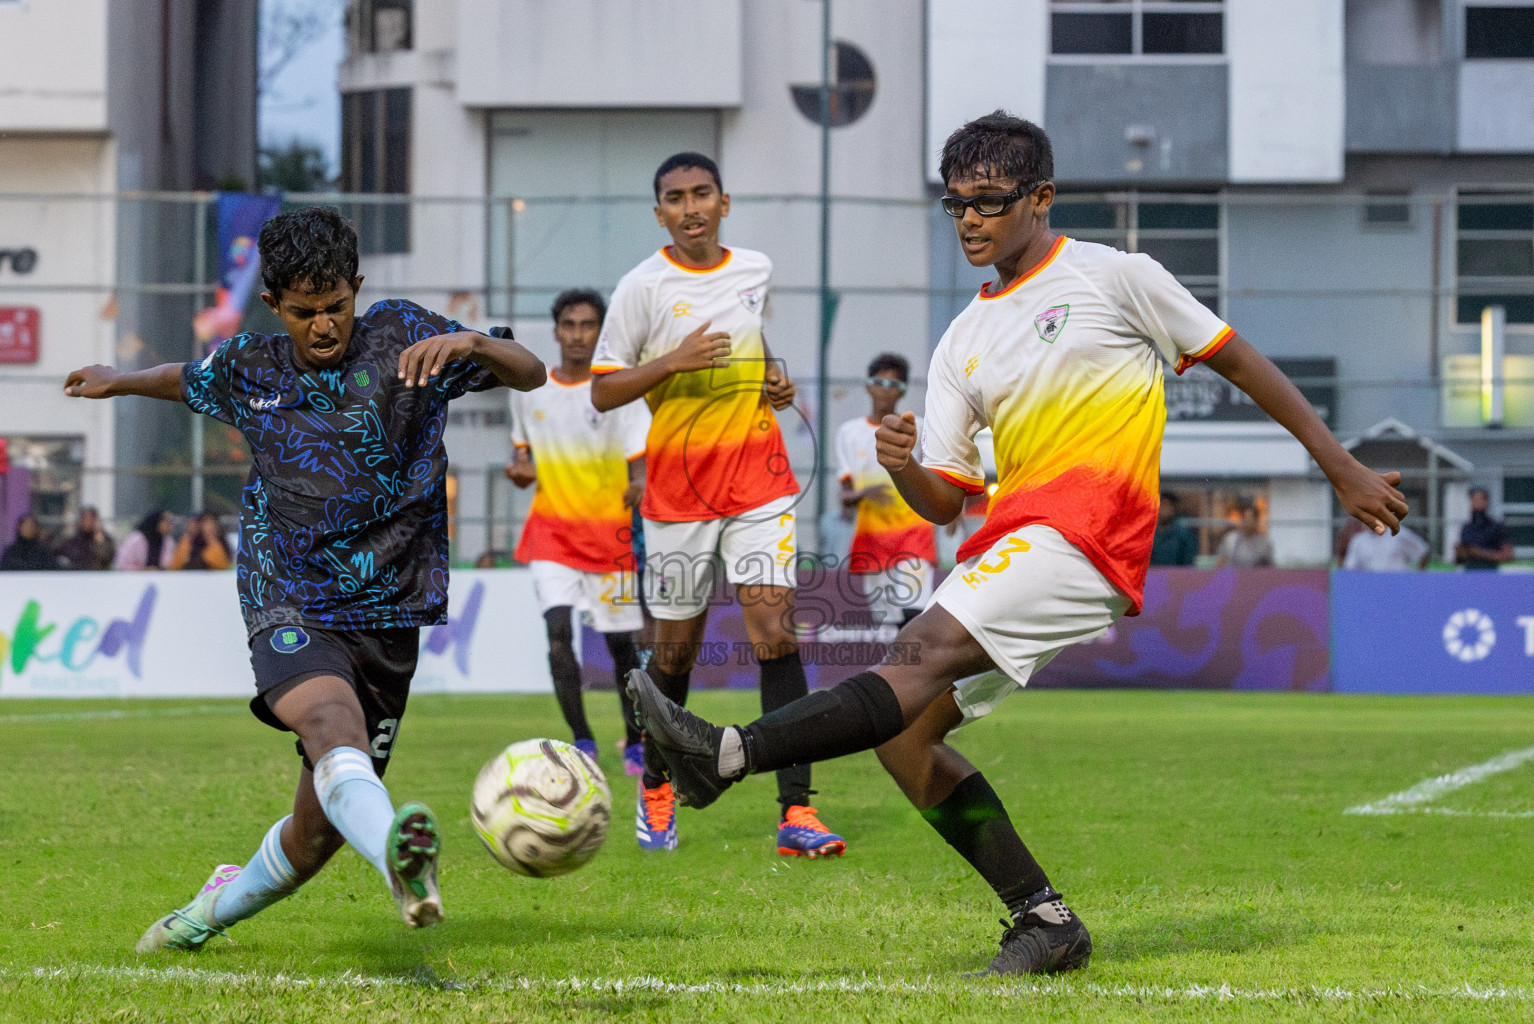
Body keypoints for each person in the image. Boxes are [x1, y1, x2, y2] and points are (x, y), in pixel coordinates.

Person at [628, 111, 1408, 976]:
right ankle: (1043, 920)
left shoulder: (1116, 277)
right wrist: (902, 466)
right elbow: (947, 502)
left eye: (989, 201)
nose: (969, 219)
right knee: (906, 734)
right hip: (1014, 537)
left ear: (1040, 198)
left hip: (1090, 532)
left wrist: (1339, 466)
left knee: (914, 650)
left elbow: (1238, 360)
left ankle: (727, 753)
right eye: (955, 203)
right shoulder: (962, 339)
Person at [63, 206, 545, 952]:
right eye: (304, 312)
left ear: (358, 287)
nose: (323, 326)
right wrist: (118, 380)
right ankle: (400, 858)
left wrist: (475, 341)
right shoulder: (248, 366)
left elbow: (533, 373)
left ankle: (206, 914)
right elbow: (180, 377)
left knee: (314, 837)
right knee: (329, 727)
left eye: (336, 307)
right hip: (287, 589)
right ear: (273, 306)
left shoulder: (408, 336)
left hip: (389, 606)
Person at [589, 152, 845, 858]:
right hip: (678, 497)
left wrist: (773, 380)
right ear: (660, 213)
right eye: (676, 197)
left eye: (702, 193)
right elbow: (604, 390)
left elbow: (754, 347)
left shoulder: (754, 270)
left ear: (724, 203)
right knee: (676, 654)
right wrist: (672, 361)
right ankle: (659, 782)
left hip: (759, 481)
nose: (691, 206)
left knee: (775, 633)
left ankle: (798, 810)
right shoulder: (641, 288)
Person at [504, 288, 648, 776]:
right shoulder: (531, 390)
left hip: (609, 538)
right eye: (570, 325)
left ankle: (635, 740)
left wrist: (640, 484)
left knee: (621, 648)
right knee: (558, 633)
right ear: (556, 330)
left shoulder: (617, 391)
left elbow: (639, 463)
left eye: (588, 326)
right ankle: (582, 740)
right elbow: (522, 460)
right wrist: (520, 471)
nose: (578, 335)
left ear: (600, 332)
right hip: (551, 534)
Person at [837, 353, 938, 626]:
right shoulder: (849, 433)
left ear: (903, 391)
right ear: (868, 386)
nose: (885, 389)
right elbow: (844, 497)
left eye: (894, 384)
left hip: (914, 535)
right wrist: (862, 494)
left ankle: (926, 667)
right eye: (879, 381)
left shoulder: (915, 427)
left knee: (913, 615)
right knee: (892, 627)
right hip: (872, 541)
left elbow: (937, 473)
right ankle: (911, 669)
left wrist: (953, 512)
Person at [1455, 486, 1513, 570]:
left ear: (1486, 502)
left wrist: (1480, 553)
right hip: (1470, 572)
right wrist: (1461, 553)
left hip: (1489, 572)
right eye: (1473, 500)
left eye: (1479, 500)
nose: (1476, 503)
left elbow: (1507, 555)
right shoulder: (1466, 528)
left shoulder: (1496, 527)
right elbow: (1460, 559)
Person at [1343, 521, 1429, 570]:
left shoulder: (1399, 534)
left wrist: (1419, 578)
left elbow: (1423, 552)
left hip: (1399, 586)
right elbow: (1349, 568)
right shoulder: (1358, 541)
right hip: (1371, 588)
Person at [1215, 501, 1274, 568]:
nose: (1247, 523)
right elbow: (1220, 562)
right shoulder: (1230, 539)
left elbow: (1270, 567)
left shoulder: (1264, 542)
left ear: (1256, 521)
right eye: (1245, 519)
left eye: (1250, 520)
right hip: (1234, 576)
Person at [56, 506, 116, 570]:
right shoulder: (73, 542)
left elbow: (107, 558)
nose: (87, 523)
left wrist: (99, 541)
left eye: (90, 519)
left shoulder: (104, 539)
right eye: (85, 519)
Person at [1148, 492, 1197, 566]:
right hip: (1153, 576)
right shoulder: (1150, 535)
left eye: (1167, 505)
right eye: (1161, 506)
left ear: (1174, 508)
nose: (1164, 510)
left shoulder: (1184, 536)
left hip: (1177, 576)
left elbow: (1188, 563)